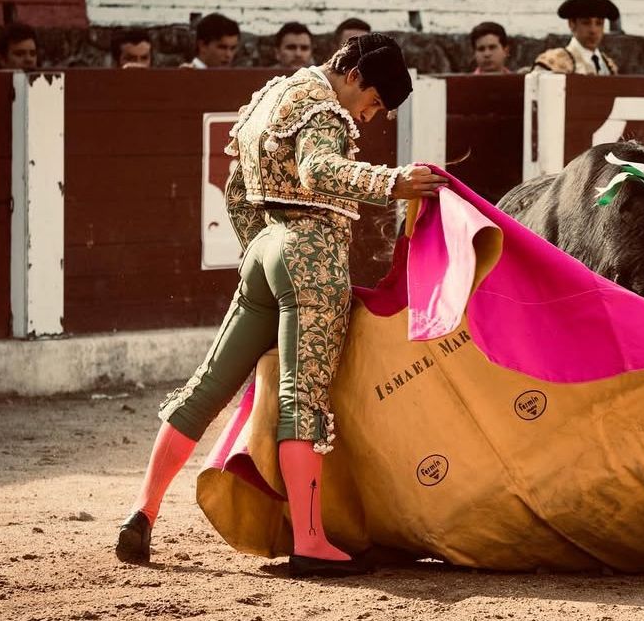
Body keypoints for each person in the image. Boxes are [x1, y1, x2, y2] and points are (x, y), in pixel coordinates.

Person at [115, 33, 447, 578]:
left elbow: (235, 186)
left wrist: (261, 251)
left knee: (206, 386)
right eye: (375, 104)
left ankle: (143, 511)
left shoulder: (272, 96)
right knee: (303, 397)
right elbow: (318, 171)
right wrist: (393, 182)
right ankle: (311, 540)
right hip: (311, 255)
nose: (368, 118)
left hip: (266, 249)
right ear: (357, 78)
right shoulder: (326, 110)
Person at [533, 0, 619, 75]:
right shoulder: (553, 62)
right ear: (572, 24)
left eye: (599, 23)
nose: (593, 30)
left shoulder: (608, 65)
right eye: (586, 23)